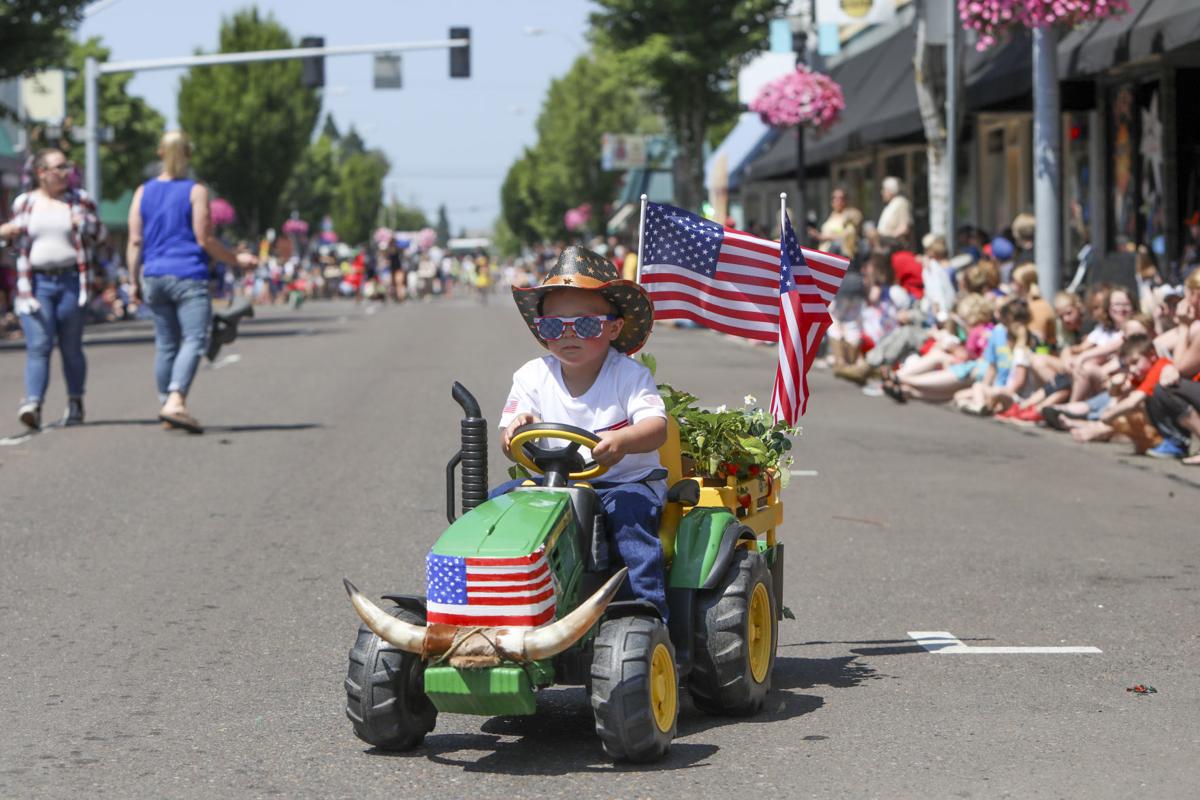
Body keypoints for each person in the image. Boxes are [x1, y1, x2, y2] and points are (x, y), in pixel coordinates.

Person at [491, 245, 670, 620]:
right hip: (554, 483)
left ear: (613, 327)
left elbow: (656, 428)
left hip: (624, 482)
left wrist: (623, 441)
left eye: (585, 325)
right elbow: (509, 437)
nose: (567, 335)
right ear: (542, 331)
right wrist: (515, 429)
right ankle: (501, 603)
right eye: (554, 326)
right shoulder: (532, 376)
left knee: (631, 524)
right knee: (497, 508)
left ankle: (647, 615)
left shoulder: (628, 375)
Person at [126, 130, 256, 434]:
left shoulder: (142, 192)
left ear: (160, 153)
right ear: (189, 155)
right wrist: (237, 260)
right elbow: (204, 238)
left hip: (154, 275)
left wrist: (133, 280)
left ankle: (166, 402)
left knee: (166, 343)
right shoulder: (195, 191)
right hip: (188, 274)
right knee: (195, 339)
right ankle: (175, 402)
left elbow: (134, 241)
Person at [0, 148, 105, 429]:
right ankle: (33, 403)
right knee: (39, 345)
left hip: (72, 280)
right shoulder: (25, 203)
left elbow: (101, 234)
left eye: (67, 167)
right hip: (36, 284)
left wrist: (85, 224)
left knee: (71, 347)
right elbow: (12, 242)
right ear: (41, 173)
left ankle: (75, 401)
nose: (65, 172)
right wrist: (5, 232)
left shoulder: (79, 200)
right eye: (58, 167)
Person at [876, 176, 911, 247]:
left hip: (892, 246)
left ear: (891, 191)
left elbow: (904, 228)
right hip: (884, 244)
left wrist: (890, 238)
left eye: (884, 190)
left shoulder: (901, 202)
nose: (882, 192)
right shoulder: (890, 204)